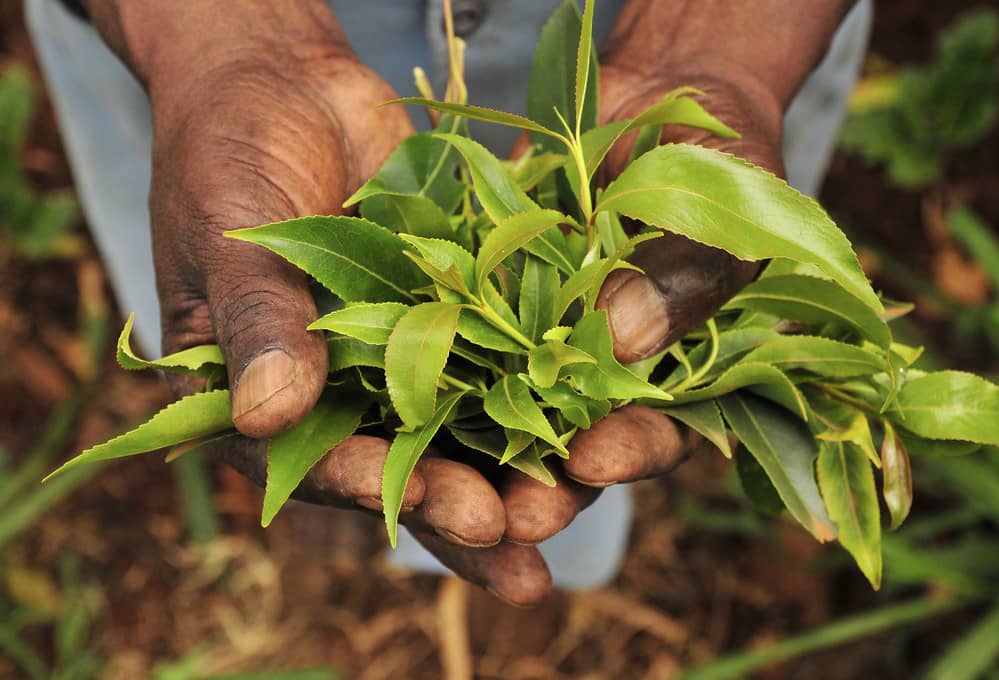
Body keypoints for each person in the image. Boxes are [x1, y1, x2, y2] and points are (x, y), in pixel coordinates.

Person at [27, 0, 872, 606]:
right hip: (219, 52)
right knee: (246, 278)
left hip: (668, 47)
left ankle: (421, 510)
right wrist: (210, 32)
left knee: (578, 430)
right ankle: (336, 484)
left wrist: (721, 34)